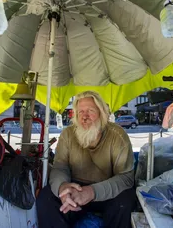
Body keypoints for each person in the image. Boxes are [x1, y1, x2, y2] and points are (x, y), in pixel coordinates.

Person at [37, 91, 137, 228]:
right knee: (46, 198)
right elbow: (60, 167)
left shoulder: (117, 136)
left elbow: (125, 178)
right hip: (74, 189)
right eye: (80, 112)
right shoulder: (68, 134)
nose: (85, 117)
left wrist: (91, 192)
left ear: (102, 113)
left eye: (90, 111)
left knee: (125, 200)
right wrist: (62, 188)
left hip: (107, 190)